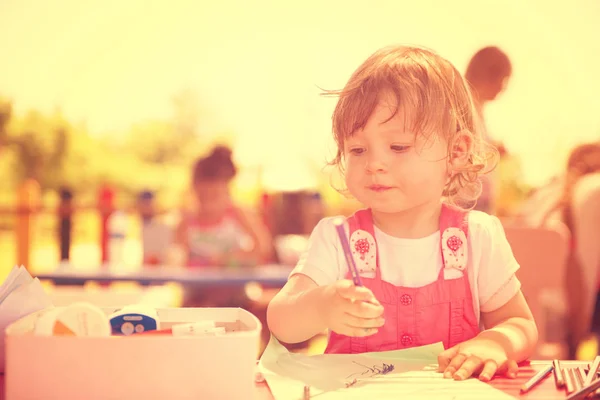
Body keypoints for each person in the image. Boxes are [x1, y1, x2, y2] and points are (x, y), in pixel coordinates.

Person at [267, 45, 537, 382]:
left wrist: (496, 344)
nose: (375, 163)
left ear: (456, 151)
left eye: (398, 147)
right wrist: (321, 306)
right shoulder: (337, 238)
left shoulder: (477, 237)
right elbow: (281, 321)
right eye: (357, 150)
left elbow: (521, 324)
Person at [172, 145, 272, 306]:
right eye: (202, 197)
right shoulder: (187, 219)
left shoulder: (239, 214)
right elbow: (177, 258)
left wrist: (228, 260)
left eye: (214, 196)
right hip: (197, 298)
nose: (208, 205)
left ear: (226, 189)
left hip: (235, 297)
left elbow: (263, 248)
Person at [464, 46, 513, 214]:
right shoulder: (464, 107)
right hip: (468, 200)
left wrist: (492, 147)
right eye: (503, 80)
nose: (503, 88)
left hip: (476, 198)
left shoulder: (476, 108)